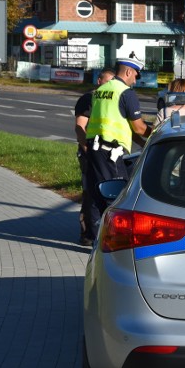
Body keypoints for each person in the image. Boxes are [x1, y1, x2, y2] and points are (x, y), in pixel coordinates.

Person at [84, 57, 152, 235]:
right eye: (135, 75)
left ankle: (93, 237)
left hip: (95, 150)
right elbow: (138, 127)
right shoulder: (126, 92)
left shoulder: (102, 89)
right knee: (116, 197)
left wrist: (143, 144)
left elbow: (120, 124)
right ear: (128, 72)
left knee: (96, 194)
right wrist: (155, 133)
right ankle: (112, 239)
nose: (135, 80)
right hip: (110, 153)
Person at [74, 68, 115, 245]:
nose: (110, 86)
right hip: (90, 152)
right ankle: (87, 234)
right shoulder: (88, 98)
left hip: (108, 153)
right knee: (90, 191)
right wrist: (87, 150)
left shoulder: (113, 99)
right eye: (107, 81)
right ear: (99, 81)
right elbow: (80, 127)